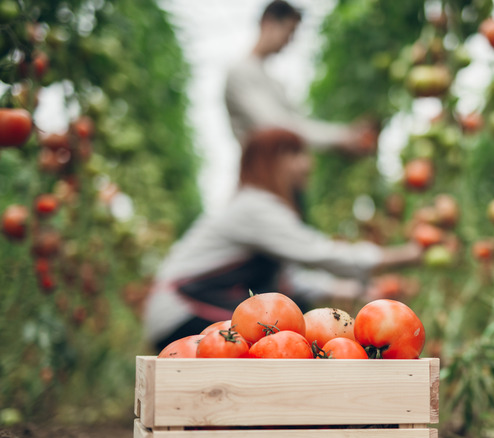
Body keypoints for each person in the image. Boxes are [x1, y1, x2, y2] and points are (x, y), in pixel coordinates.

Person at [143, 128, 422, 352]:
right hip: (182, 312)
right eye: (296, 153)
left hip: (183, 309)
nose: (308, 164)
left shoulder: (256, 208)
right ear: (273, 161)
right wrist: (405, 255)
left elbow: (292, 282)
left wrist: (357, 291)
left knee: (283, 334)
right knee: (285, 342)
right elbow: (320, 253)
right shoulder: (256, 208)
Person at [224, 0, 373, 153]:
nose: (289, 41)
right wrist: (341, 137)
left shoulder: (272, 82)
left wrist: (345, 134)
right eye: (289, 31)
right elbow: (275, 126)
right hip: (259, 174)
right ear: (267, 22)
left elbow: (295, 123)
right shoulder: (240, 73)